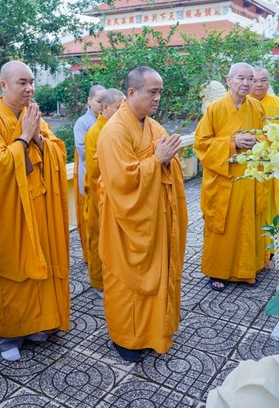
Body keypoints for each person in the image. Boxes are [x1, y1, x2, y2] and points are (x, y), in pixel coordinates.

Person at [0, 60, 70, 362]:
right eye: (21, 82)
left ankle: (37, 325)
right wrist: (24, 139)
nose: (29, 88)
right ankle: (8, 336)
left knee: (40, 267)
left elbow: (56, 150)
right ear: (3, 85)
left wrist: (39, 138)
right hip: (11, 214)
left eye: (31, 82)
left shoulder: (33, 116)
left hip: (39, 208)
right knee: (14, 271)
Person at [97, 67, 187, 363]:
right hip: (127, 224)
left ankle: (154, 331)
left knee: (158, 275)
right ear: (132, 92)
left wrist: (165, 159)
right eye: (153, 91)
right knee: (127, 283)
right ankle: (127, 338)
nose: (158, 98)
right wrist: (156, 161)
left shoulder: (154, 127)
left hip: (156, 219)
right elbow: (121, 181)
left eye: (160, 91)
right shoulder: (114, 131)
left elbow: (166, 162)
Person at [194, 62, 267, 291]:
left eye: (251, 79)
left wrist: (258, 143)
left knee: (248, 223)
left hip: (248, 178)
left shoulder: (256, 108)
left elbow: (268, 138)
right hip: (223, 180)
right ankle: (218, 272)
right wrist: (232, 143)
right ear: (229, 80)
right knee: (222, 226)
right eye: (241, 79)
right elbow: (201, 144)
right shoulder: (215, 109)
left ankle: (247, 270)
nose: (247, 84)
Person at [83, 88, 125, 296]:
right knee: (99, 237)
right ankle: (99, 282)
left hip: (117, 195)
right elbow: (95, 171)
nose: (123, 111)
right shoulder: (95, 133)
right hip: (101, 194)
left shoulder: (117, 129)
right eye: (120, 108)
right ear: (105, 107)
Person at [249, 66, 279, 261]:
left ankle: (272, 248)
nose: (259, 84)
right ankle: (253, 248)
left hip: (275, 164)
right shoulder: (241, 105)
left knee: (275, 205)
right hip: (252, 166)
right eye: (255, 80)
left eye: (264, 80)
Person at [73, 84, 106, 261]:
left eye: (104, 101)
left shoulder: (108, 120)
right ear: (89, 101)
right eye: (98, 101)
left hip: (106, 177)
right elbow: (82, 149)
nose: (101, 105)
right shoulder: (83, 123)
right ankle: (90, 257)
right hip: (89, 175)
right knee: (90, 222)